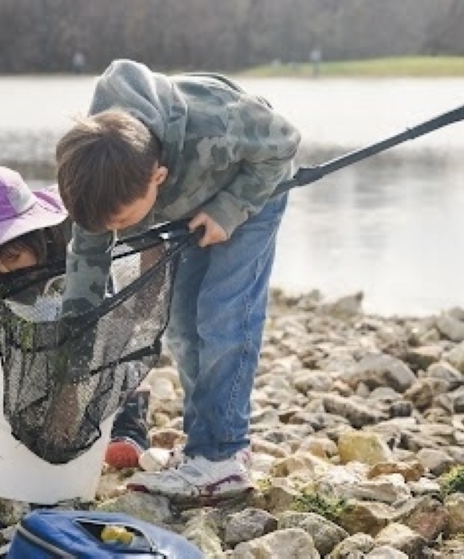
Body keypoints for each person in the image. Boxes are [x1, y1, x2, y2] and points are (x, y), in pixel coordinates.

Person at [54, 59, 301, 503]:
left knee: (223, 314)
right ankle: (200, 446)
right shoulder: (97, 175)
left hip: (251, 189)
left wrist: (229, 208)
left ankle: (223, 455)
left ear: (158, 177)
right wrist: (75, 342)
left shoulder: (216, 124)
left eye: (122, 222)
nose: (115, 232)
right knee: (184, 327)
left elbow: (283, 141)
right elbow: (88, 260)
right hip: (188, 208)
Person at [0, 166, 150, 470]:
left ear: (33, 232)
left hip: (91, 303)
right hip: (37, 306)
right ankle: (2, 425)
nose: (4, 271)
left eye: (12, 257)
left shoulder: (78, 234)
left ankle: (128, 427)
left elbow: (104, 315)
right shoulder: (5, 269)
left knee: (112, 343)